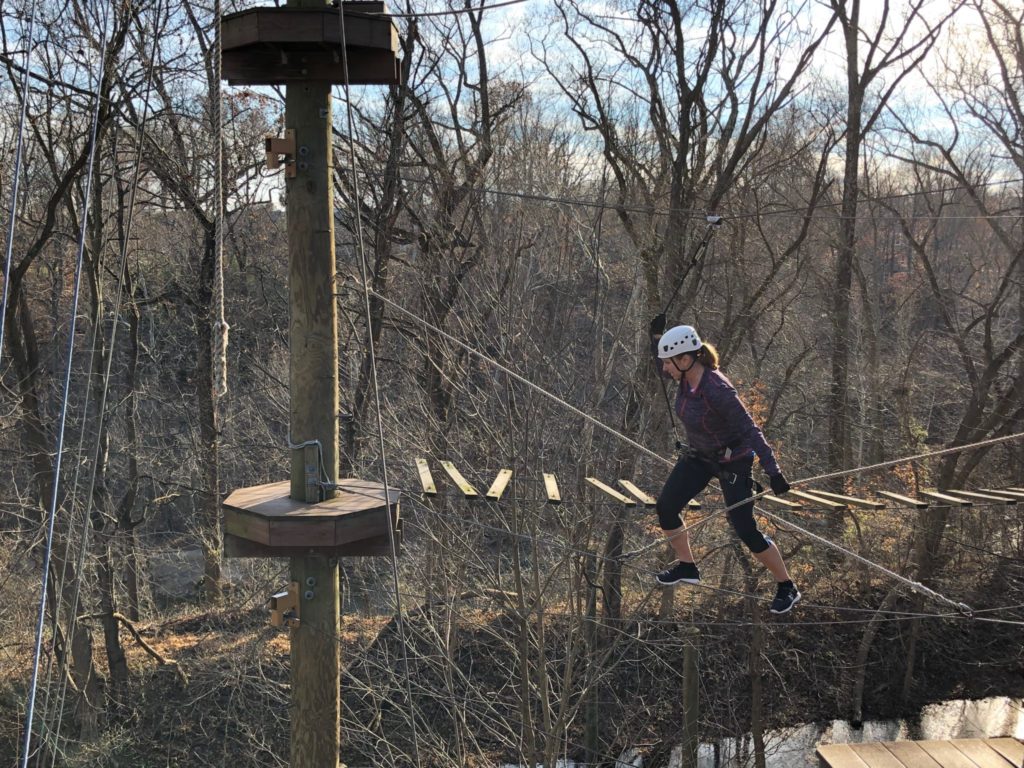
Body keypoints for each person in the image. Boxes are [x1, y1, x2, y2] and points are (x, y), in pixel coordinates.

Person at [649, 316, 801, 614]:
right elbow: (661, 364)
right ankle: (687, 566)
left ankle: (787, 586)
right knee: (666, 507)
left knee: (745, 529)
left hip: (733, 463)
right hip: (700, 458)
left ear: (685, 359)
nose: (664, 369)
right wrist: (656, 335)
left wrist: (774, 472)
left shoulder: (718, 389)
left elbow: (750, 430)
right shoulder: (683, 375)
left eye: (669, 362)